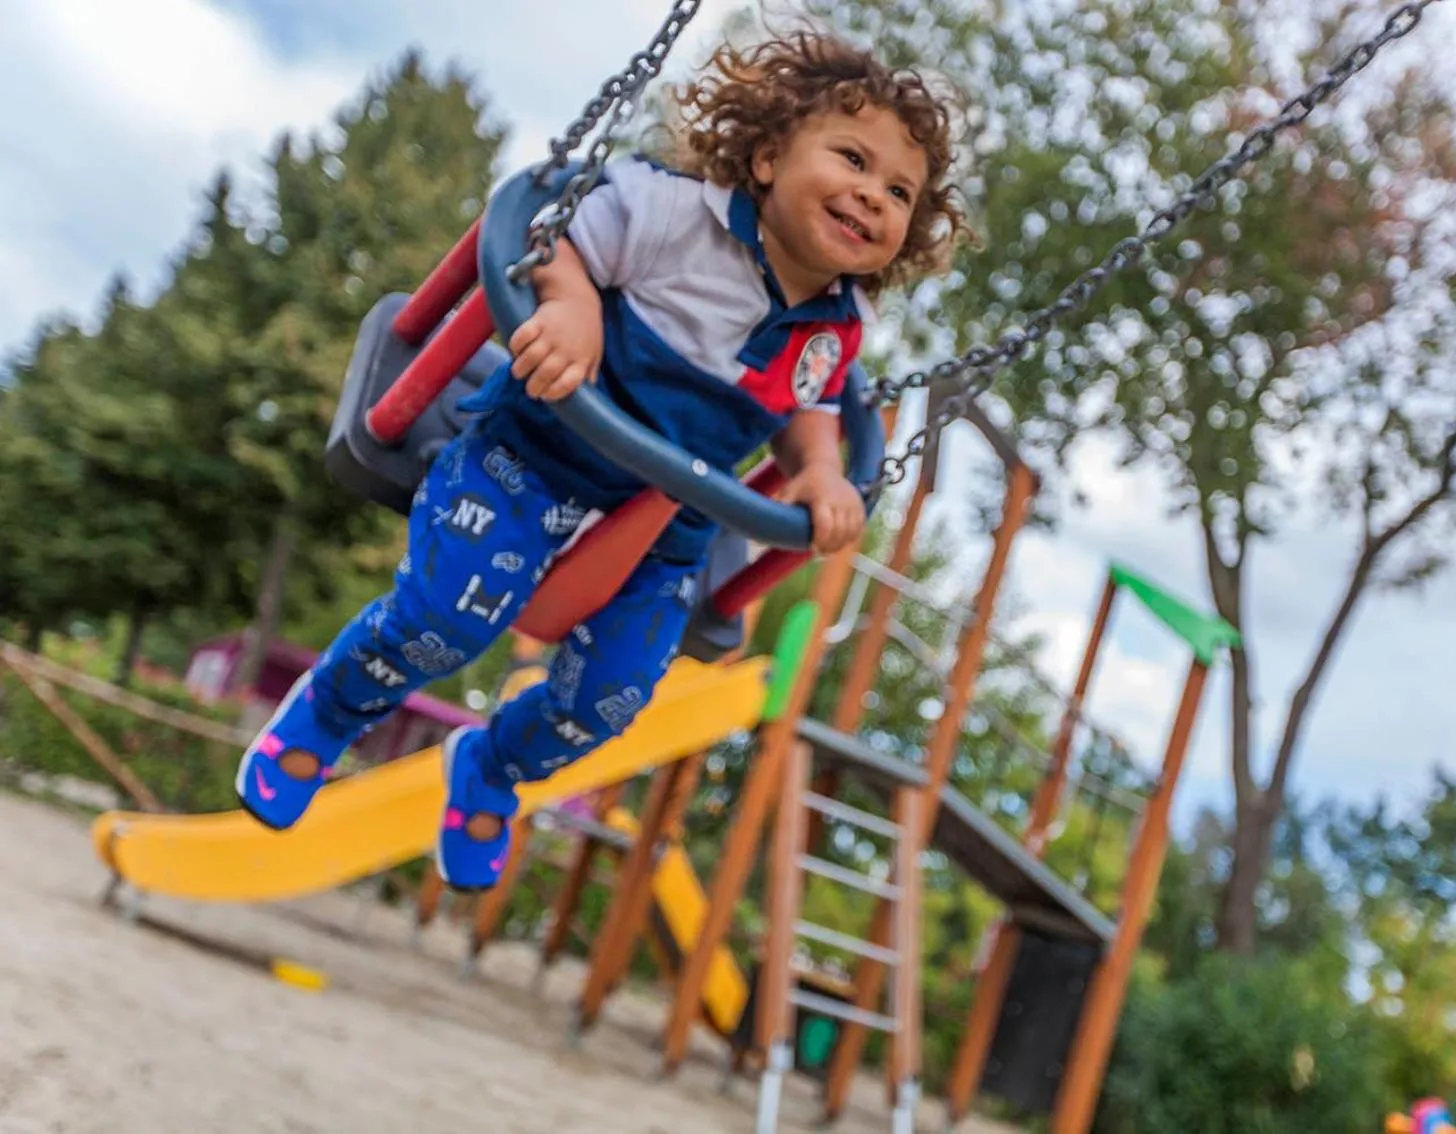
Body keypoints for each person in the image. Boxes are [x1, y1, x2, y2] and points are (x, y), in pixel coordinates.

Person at [233, 29, 969, 891]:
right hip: (537, 455)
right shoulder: (670, 214)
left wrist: (815, 470)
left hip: (664, 524)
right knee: (449, 620)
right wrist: (573, 302)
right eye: (852, 159)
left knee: (606, 701)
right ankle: (330, 709)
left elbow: (807, 403)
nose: (872, 197)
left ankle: (493, 769)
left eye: (898, 193)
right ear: (768, 156)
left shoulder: (838, 321)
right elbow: (559, 233)